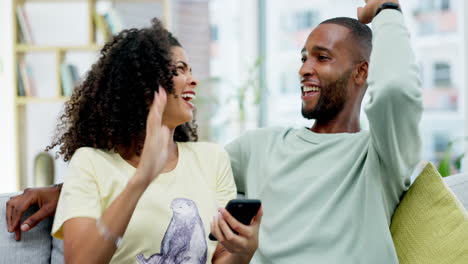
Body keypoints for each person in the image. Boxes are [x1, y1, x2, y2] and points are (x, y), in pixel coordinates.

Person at [6, 0, 421, 263]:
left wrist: (386, 12)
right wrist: (64, 192)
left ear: (361, 72)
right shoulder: (261, 146)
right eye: (302, 57)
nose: (304, 68)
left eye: (322, 57)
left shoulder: (382, 154)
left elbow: (397, 91)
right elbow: (172, 173)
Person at [7, 18, 261, 264]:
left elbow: (220, 259)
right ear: (142, 85)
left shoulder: (211, 159)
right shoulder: (90, 163)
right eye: (179, 70)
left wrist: (245, 250)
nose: (192, 80)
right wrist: (142, 178)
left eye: (191, 70)